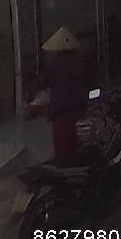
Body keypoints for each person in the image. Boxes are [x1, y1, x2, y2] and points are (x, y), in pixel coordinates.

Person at [27, 26, 87, 165]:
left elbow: (41, 82)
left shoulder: (54, 63)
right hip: (80, 108)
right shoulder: (81, 60)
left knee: (62, 147)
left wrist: (29, 96)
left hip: (62, 110)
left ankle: (64, 169)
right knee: (77, 142)